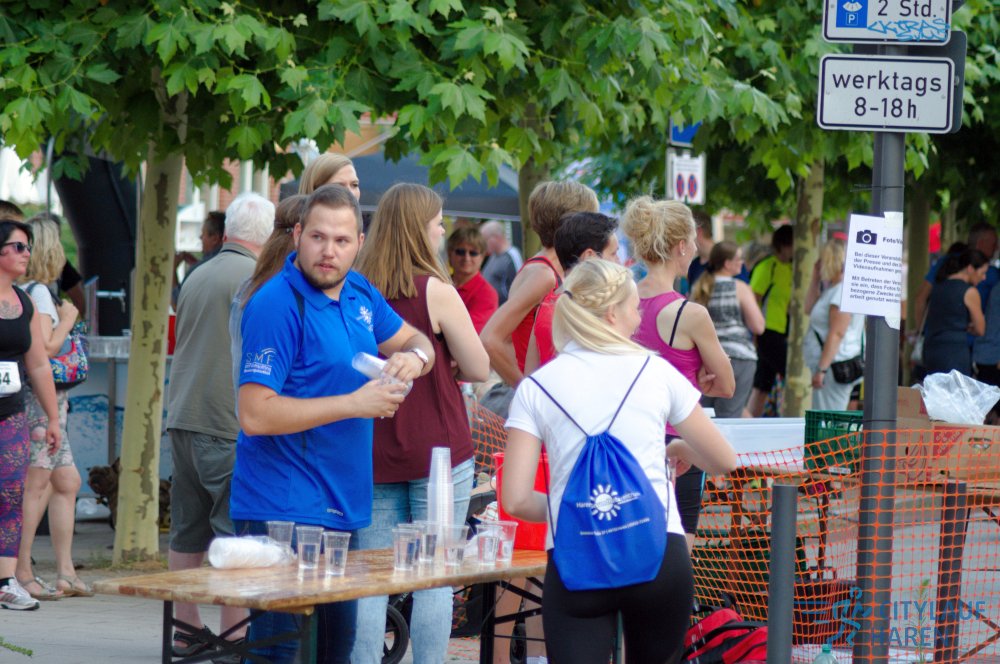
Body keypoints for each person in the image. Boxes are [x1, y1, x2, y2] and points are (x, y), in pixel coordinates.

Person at [231, 184, 435, 663]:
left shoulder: (360, 290)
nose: (329, 251)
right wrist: (354, 403)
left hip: (342, 507)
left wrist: (415, 359)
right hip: (281, 509)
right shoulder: (276, 304)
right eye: (318, 237)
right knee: (278, 654)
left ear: (359, 243)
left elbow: (418, 339)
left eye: (342, 240)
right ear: (298, 235)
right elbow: (254, 413)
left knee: (334, 652)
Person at [500, 259, 736, 664]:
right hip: (658, 551)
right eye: (633, 306)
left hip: (577, 558)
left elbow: (516, 499)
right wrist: (679, 449)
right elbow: (724, 460)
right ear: (611, 313)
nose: (639, 316)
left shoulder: (535, 388)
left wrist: (580, 508)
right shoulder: (657, 372)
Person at [351, 183, 490, 664]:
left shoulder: (355, 288)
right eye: (438, 222)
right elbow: (479, 367)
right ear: (418, 228)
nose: (442, 231)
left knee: (371, 578)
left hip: (373, 443)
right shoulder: (436, 291)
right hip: (439, 448)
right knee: (434, 576)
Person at [165, 192, 274, 660]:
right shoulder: (256, 280)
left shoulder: (198, 273)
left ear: (228, 230)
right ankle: (234, 635)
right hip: (225, 420)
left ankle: (184, 629)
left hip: (183, 415)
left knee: (187, 530)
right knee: (235, 534)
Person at [623, 197, 734, 552]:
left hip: (628, 439)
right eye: (694, 243)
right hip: (677, 446)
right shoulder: (690, 315)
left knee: (630, 548)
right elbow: (727, 385)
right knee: (676, 558)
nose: (697, 251)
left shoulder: (620, 304)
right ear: (681, 247)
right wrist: (698, 372)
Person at [12, 216, 85, 603]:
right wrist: (68, 320)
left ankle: (65, 571)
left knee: (67, 481)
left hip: (46, 402)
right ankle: (21, 569)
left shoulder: (24, 290)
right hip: (44, 402)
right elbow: (43, 349)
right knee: (36, 483)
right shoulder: (38, 293)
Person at [480, 181, 599, 391]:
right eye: (591, 221)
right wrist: (528, 391)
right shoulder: (544, 274)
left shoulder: (550, 268)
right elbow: (491, 338)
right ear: (574, 224)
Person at [0, 219, 61, 611]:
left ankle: (5, 580)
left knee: (10, 493)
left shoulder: (24, 302)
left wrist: (52, 418)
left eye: (28, 247)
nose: (27, 254)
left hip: (11, 414)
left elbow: (38, 364)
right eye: (19, 246)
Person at [524, 211, 620, 373]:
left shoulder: (546, 305)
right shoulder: (590, 309)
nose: (619, 262)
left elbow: (529, 374)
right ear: (590, 257)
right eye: (614, 253)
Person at [691, 241, 765, 417]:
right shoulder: (740, 288)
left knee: (705, 416)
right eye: (738, 259)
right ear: (727, 263)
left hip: (706, 359)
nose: (742, 263)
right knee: (730, 417)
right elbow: (758, 326)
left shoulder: (699, 287)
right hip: (739, 358)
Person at [803, 240, 865, 410]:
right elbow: (808, 308)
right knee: (834, 418)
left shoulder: (841, 292)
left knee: (828, 419)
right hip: (837, 364)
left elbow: (837, 333)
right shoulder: (835, 289)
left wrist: (821, 370)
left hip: (834, 366)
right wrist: (815, 279)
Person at [912, 223, 999, 336]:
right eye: (994, 244)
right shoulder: (992, 273)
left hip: (936, 336)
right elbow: (920, 298)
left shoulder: (945, 262)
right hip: (972, 340)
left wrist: (922, 333)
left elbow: (920, 298)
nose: (997, 248)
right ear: (981, 243)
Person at [747, 224, 794, 417]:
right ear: (784, 245)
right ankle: (790, 417)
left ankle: (750, 423)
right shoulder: (768, 266)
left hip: (783, 330)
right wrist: (753, 332)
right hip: (766, 331)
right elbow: (753, 299)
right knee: (791, 373)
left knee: (763, 383)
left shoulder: (792, 268)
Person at [923, 248, 988, 377]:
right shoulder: (970, 292)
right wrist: (968, 327)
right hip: (955, 353)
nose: (984, 277)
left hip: (931, 350)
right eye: (982, 272)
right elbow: (980, 329)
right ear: (970, 269)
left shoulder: (938, 287)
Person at [447, 226, 498, 333]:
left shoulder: (487, 294)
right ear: (450, 253)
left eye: (473, 253)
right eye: (461, 252)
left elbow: (468, 332)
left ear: (482, 257)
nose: (467, 258)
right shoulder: (440, 284)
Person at [480, 220, 523, 305]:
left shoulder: (512, 255)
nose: (483, 245)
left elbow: (520, 286)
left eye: (485, 240)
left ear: (496, 237)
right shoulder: (493, 256)